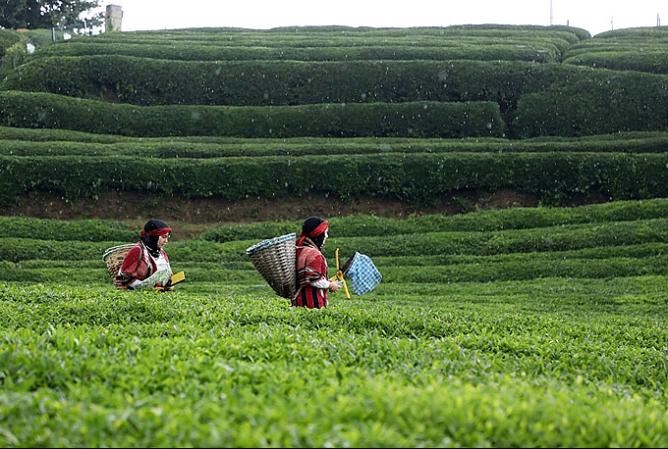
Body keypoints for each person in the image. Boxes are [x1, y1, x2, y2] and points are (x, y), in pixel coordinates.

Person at [114, 219, 174, 291]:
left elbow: (169, 276)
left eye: (168, 237)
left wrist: (168, 284)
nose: (166, 241)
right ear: (154, 237)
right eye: (164, 237)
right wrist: (152, 287)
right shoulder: (138, 251)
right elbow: (124, 279)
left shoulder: (161, 253)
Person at [294, 216, 340, 308]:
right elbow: (314, 280)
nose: (326, 236)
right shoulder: (314, 254)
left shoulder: (300, 249)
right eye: (325, 233)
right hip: (312, 304)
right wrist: (330, 285)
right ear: (318, 234)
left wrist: (327, 281)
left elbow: (306, 276)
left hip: (298, 301)